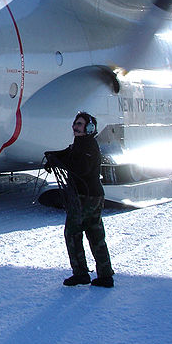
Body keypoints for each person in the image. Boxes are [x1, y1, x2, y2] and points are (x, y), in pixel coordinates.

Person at [44, 111, 114, 288]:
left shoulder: (87, 146)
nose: (75, 127)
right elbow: (66, 153)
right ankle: (105, 275)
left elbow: (80, 168)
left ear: (90, 128)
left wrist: (60, 162)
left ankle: (81, 273)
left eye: (80, 124)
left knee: (73, 234)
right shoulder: (81, 144)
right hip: (92, 195)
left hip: (85, 198)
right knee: (95, 233)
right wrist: (52, 156)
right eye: (75, 124)